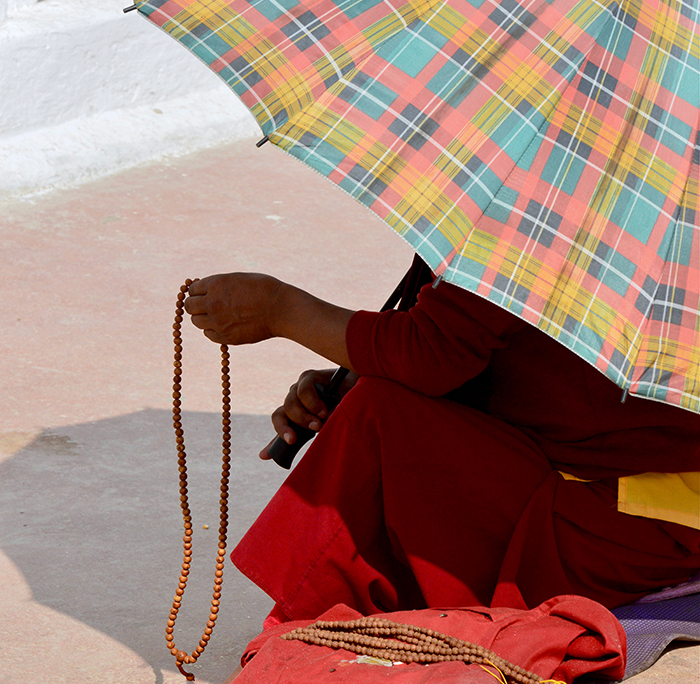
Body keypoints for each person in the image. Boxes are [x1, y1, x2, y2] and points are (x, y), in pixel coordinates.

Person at [184, 267, 700, 627]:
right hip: (599, 464)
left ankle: (317, 620)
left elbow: (429, 353)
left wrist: (280, 309)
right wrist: (356, 373)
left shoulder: (552, 192)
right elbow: (467, 343)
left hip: (632, 513)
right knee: (377, 397)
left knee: (381, 413)